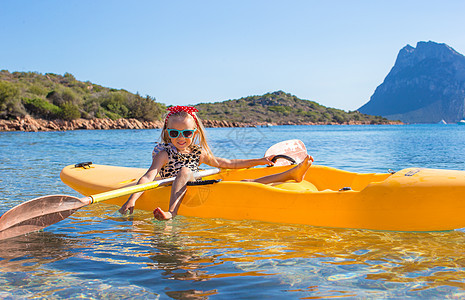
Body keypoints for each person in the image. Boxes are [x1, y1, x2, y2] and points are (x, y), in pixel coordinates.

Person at [118, 105, 313, 220]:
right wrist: (132, 199)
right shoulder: (164, 153)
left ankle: (290, 174)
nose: (180, 137)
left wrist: (259, 161)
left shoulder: (198, 151)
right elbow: (148, 176)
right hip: (172, 187)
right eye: (174, 133)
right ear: (168, 133)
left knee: (245, 185)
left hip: (196, 185)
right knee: (185, 170)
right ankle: (171, 213)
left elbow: (227, 163)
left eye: (186, 133)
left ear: (194, 133)